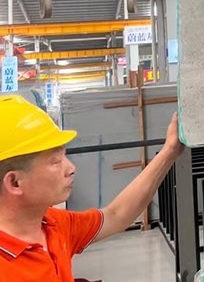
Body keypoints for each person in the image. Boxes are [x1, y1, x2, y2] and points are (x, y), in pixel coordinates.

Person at [0, 94, 185, 281]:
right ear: (14, 182)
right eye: (56, 161)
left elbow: (116, 216)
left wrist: (169, 151)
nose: (71, 168)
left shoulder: (52, 223)